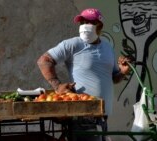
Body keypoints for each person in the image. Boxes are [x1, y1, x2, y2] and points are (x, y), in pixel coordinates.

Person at [37, 8, 131, 141]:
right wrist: (57, 86)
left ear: (100, 26)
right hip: (82, 116)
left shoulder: (107, 47)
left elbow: (113, 78)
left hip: (102, 117)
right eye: (82, 22)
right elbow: (44, 61)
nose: (85, 26)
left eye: (90, 22)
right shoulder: (73, 44)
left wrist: (123, 71)